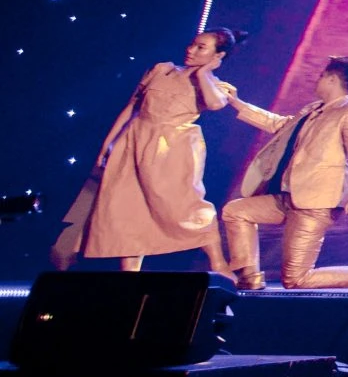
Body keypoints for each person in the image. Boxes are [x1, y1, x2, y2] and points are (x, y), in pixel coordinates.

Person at [50, 28, 240, 271]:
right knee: (129, 206)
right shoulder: (162, 70)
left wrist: (203, 72)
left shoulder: (216, 85)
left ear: (218, 55)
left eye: (201, 47)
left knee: (184, 206)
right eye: (192, 44)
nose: (191, 50)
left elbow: (214, 104)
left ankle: (218, 263)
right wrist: (109, 143)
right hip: (134, 140)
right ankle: (130, 274)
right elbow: (132, 107)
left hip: (173, 148)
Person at [222, 56, 348, 290]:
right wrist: (236, 103)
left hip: (316, 202)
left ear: (332, 79)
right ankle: (249, 277)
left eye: (321, 76)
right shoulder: (313, 110)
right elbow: (279, 125)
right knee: (237, 211)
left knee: (296, 280)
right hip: (289, 197)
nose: (317, 80)